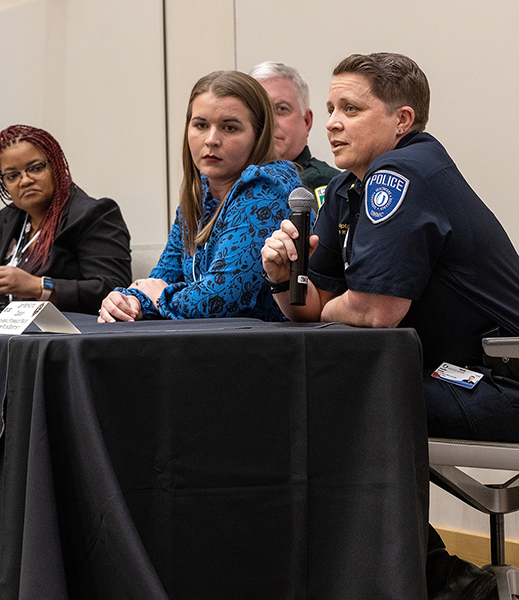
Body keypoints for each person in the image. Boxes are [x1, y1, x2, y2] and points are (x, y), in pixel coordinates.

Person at [261, 52, 519, 600]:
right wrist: (284, 279)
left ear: (402, 120)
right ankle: (429, 576)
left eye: (350, 109)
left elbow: (376, 312)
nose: (331, 122)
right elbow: (317, 304)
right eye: (330, 108)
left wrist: (328, 306)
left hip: (500, 381)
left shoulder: (401, 173)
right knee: (312, 395)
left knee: (327, 401)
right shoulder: (348, 190)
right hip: (442, 373)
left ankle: (440, 581)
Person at [99, 70, 301, 322]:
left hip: (266, 352)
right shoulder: (199, 194)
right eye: (200, 125)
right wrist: (127, 301)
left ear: (258, 135)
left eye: (230, 127)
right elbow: (162, 277)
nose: (211, 139)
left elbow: (222, 297)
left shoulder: (267, 186)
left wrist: (158, 297)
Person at [0, 124, 131, 314]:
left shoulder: (93, 214)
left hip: (71, 333)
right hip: (10, 333)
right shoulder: (3, 222)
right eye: (12, 176)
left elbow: (114, 289)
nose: (25, 180)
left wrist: (40, 287)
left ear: (55, 166)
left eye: (35, 168)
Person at [249, 61, 339, 203]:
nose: (269, 122)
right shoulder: (227, 182)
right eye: (259, 111)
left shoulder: (332, 186)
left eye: (281, 109)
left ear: (307, 122)